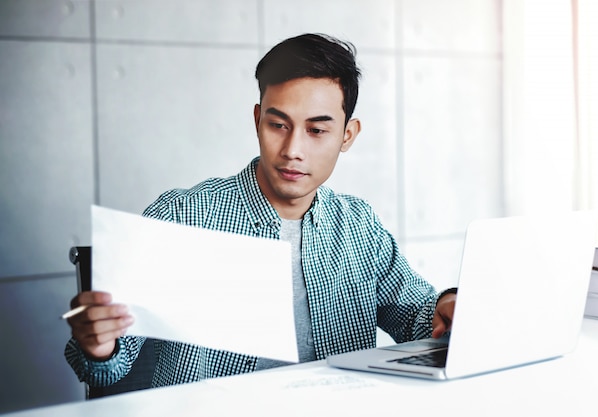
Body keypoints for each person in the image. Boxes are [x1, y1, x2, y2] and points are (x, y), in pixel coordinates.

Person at [65, 33, 457, 389]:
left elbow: (418, 318)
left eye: (317, 130)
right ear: (257, 120)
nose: (292, 150)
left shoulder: (358, 225)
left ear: (347, 135)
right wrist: (99, 344)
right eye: (278, 125)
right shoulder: (182, 216)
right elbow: (110, 368)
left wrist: (447, 306)